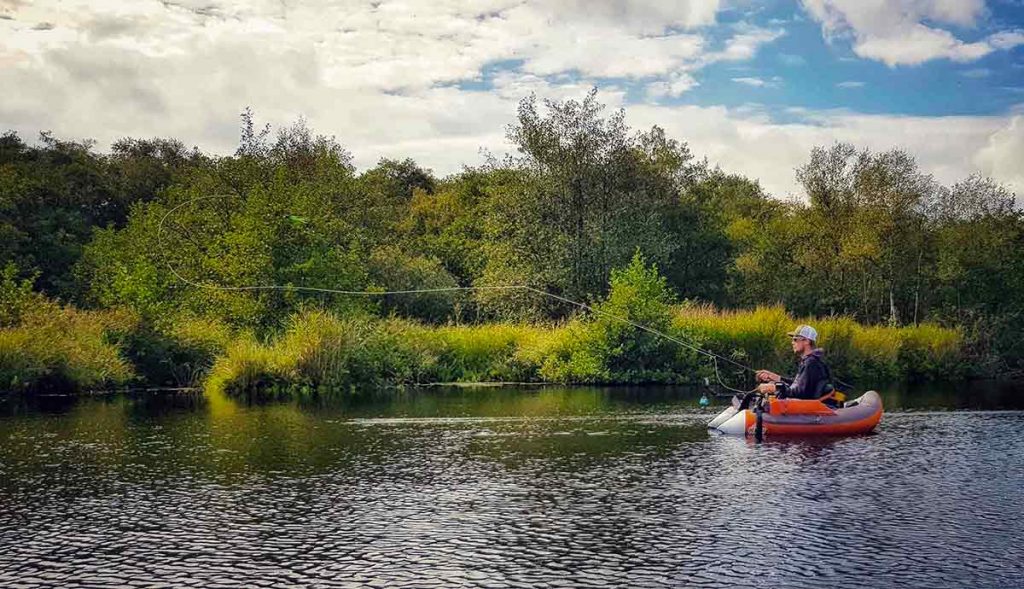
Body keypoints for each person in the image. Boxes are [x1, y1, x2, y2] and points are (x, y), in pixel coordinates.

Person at [754, 325, 832, 400]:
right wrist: (775, 377)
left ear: (807, 341)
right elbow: (798, 385)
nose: (792, 342)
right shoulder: (811, 360)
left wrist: (775, 388)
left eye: (795, 339)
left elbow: (800, 393)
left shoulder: (811, 363)